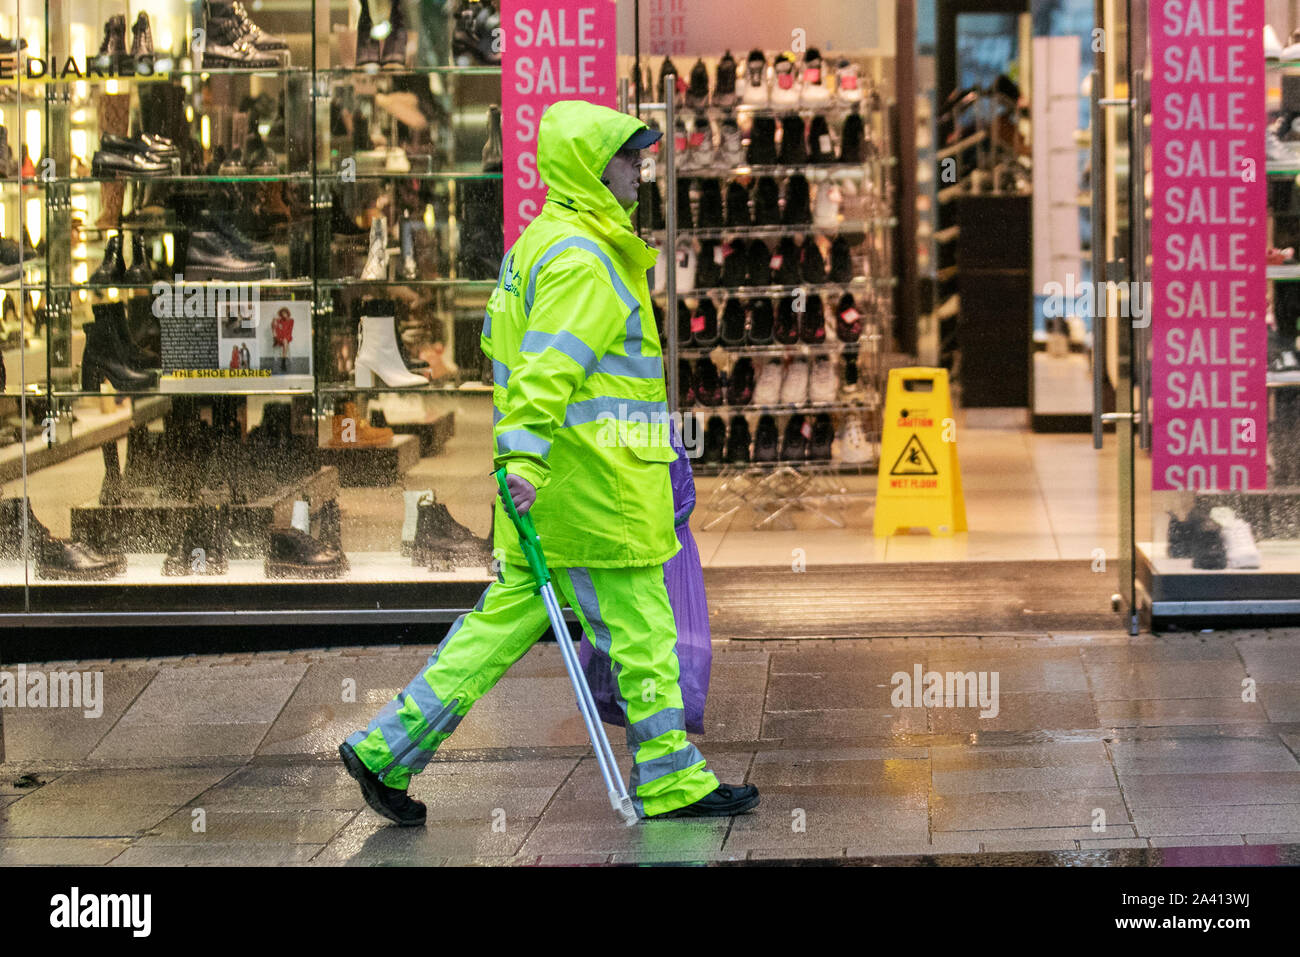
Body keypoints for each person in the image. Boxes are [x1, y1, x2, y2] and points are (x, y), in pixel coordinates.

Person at [339, 99, 759, 826]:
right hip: (595, 491)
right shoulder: (586, 259)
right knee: (642, 630)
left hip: (551, 495)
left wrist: (520, 466)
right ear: (594, 169)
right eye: (628, 160)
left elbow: (513, 362)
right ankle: (668, 779)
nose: (639, 172)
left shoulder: (539, 246)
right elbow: (545, 372)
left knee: (497, 628)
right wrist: (527, 458)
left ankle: (386, 748)